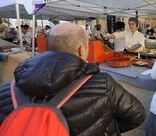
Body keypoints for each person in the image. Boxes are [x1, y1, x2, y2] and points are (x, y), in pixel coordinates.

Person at [0, 22, 146, 135]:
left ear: (48, 46)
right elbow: (137, 115)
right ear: (82, 49)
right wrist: (106, 129)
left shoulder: (6, 90)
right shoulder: (103, 84)